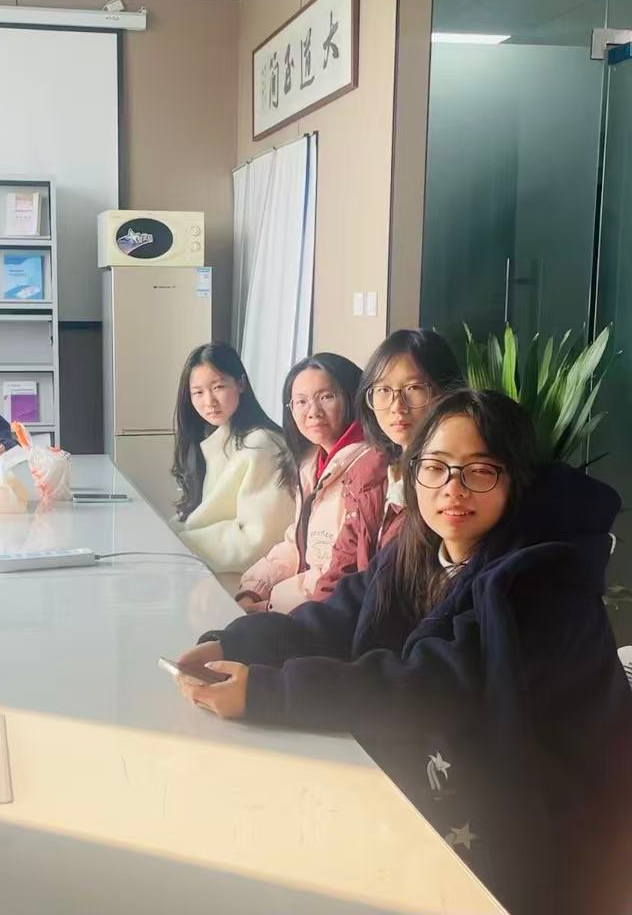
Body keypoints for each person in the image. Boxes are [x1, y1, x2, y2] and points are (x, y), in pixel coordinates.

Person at [172, 390, 632, 915]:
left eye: (480, 470)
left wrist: (270, 692)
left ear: (516, 479)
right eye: (435, 468)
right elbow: (338, 619)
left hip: (552, 820)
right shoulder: (417, 547)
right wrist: (235, 642)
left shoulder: (540, 579)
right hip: (460, 778)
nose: (453, 489)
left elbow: (432, 686)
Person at [312, 329, 463, 599]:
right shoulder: (368, 472)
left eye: (414, 388)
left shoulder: (455, 484)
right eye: (383, 390)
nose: (396, 406)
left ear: (447, 391)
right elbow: (339, 572)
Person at [237, 353, 368, 613]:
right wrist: (254, 588)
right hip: (303, 602)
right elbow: (296, 545)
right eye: (301, 401)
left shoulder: (367, 467)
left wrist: (270, 605)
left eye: (326, 397)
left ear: (352, 397)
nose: (313, 412)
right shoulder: (310, 462)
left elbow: (337, 568)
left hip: (331, 611)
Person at [170, 342, 294, 575]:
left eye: (218, 387)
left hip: (244, 579)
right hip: (210, 568)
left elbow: (257, 540)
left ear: (241, 384)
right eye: (198, 392)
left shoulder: (263, 445)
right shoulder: (222, 438)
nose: (209, 402)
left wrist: (177, 546)